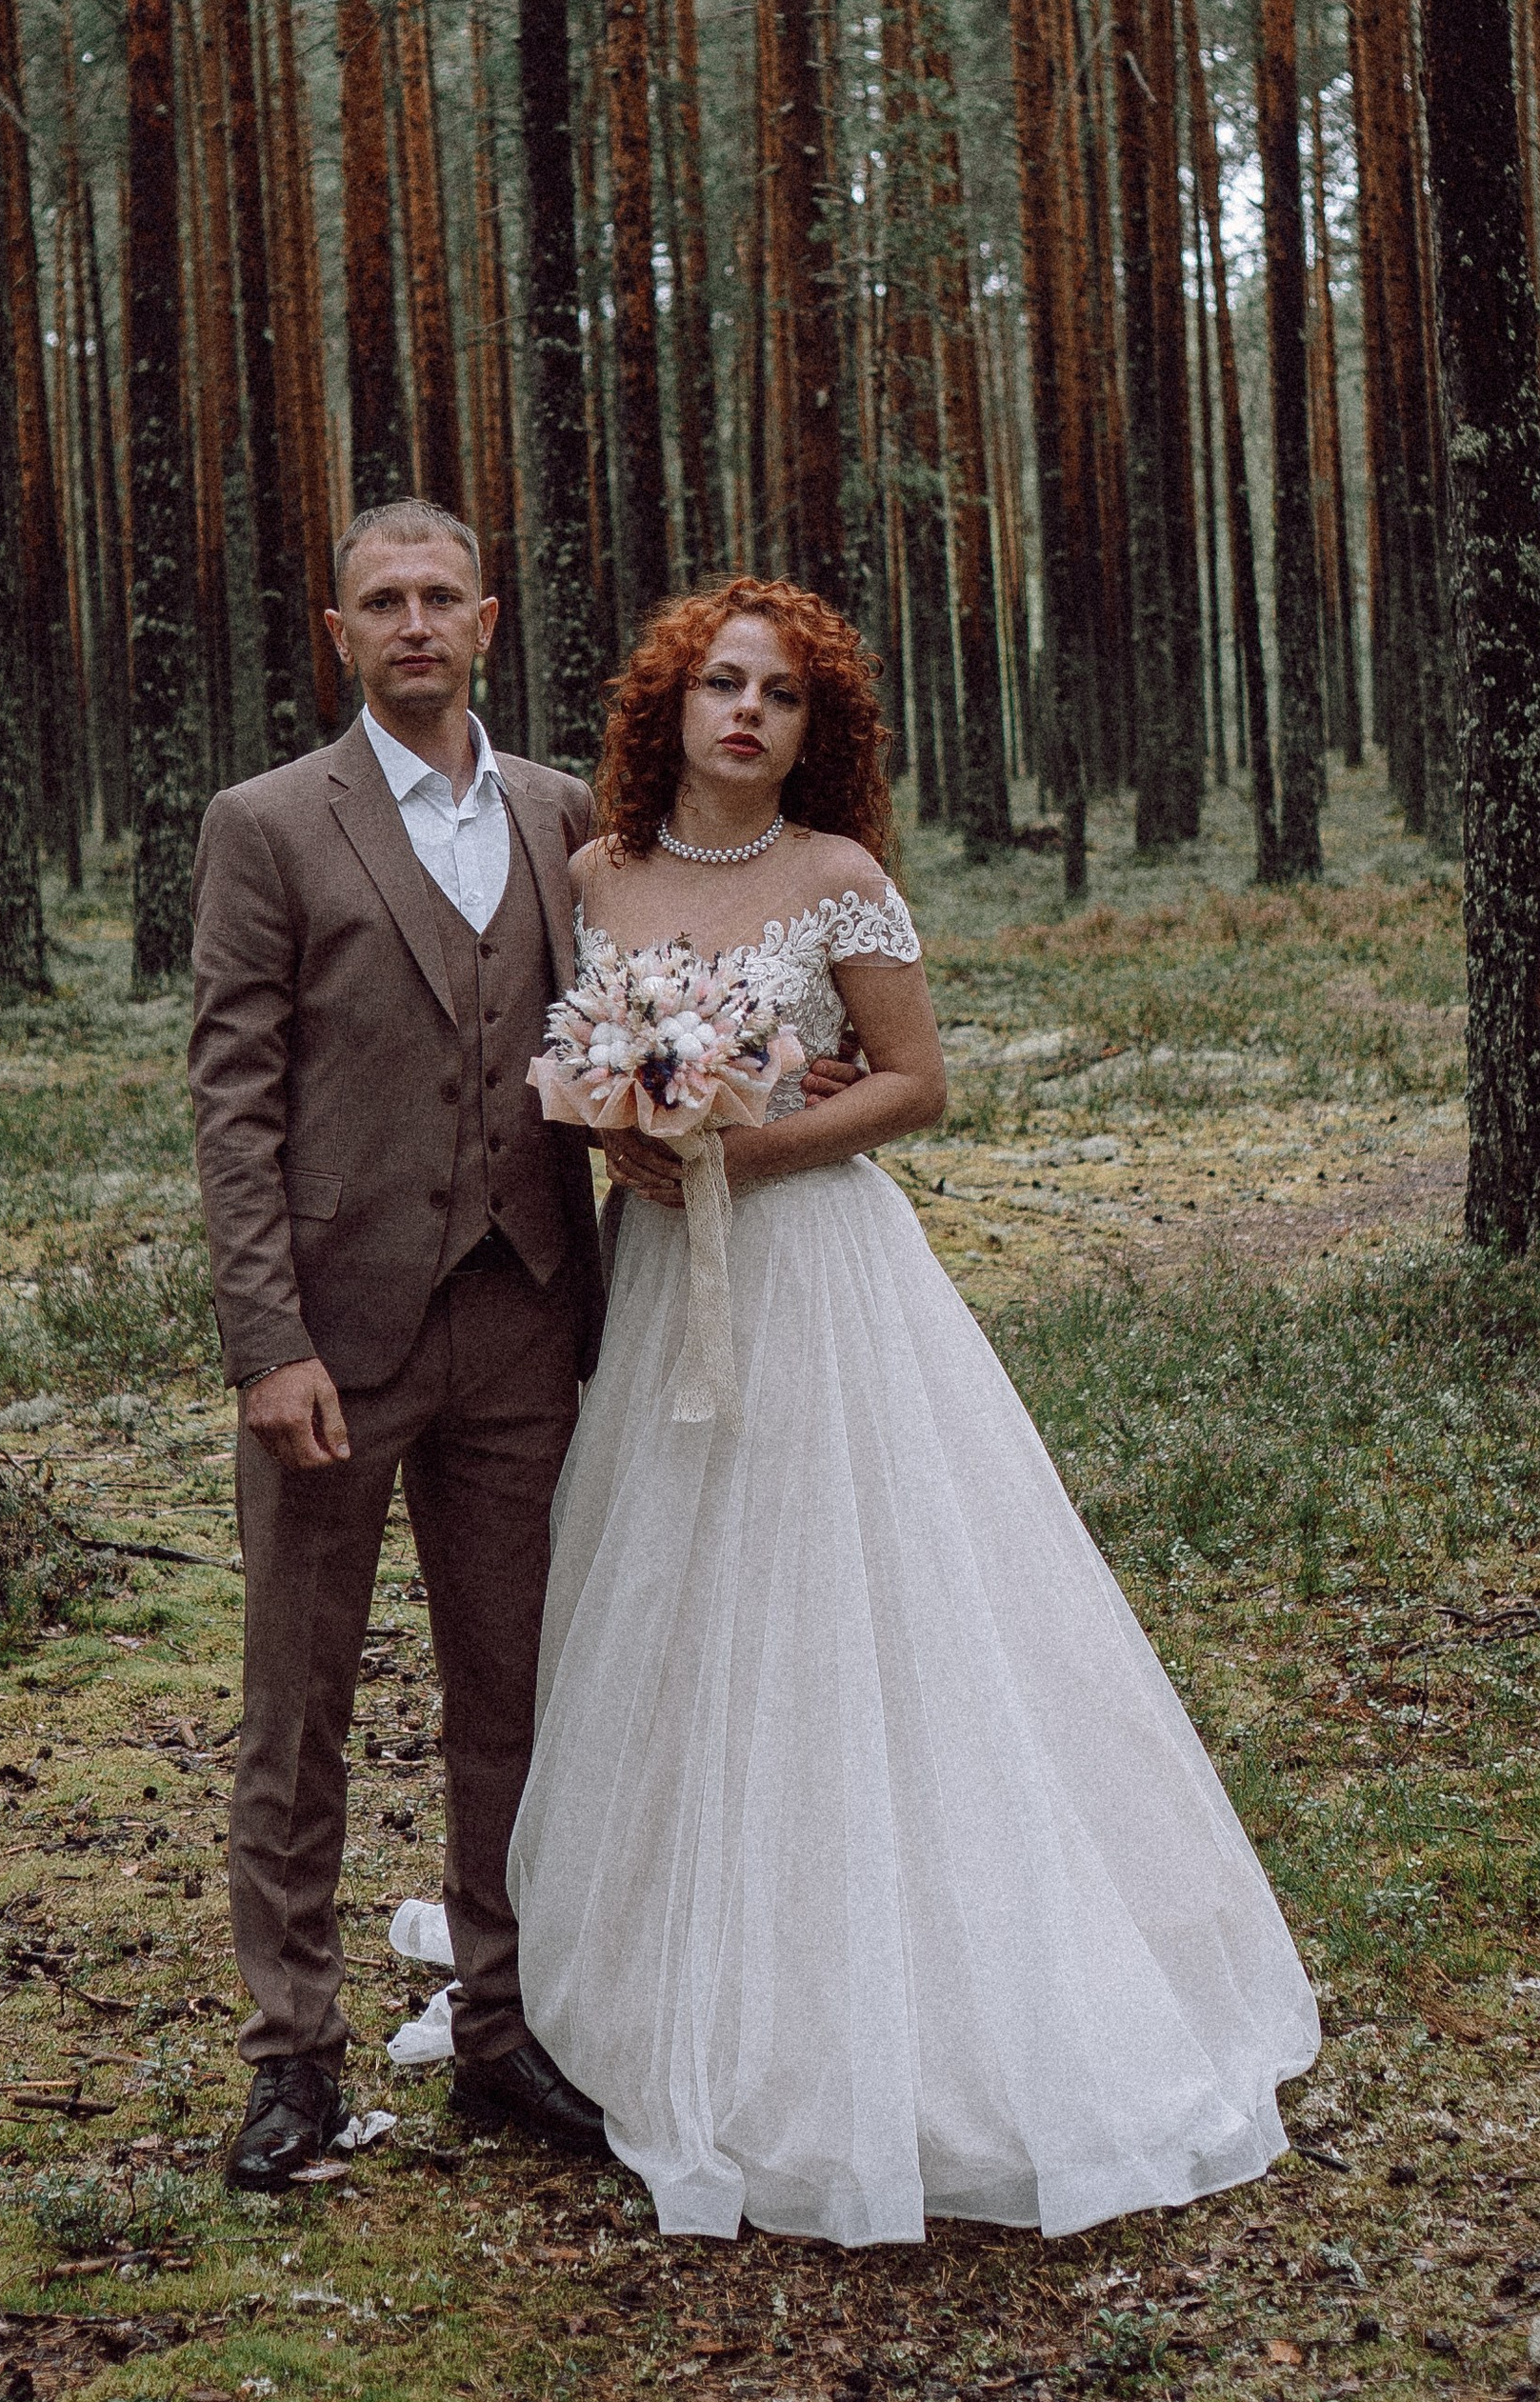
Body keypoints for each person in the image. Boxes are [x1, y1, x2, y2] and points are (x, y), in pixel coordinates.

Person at [508, 575, 1321, 2245]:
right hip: (662, 1283)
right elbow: (579, 1067)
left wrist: (740, 1144)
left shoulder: (841, 883)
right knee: (671, 1605)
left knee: (850, 1598)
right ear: (668, 705)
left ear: (821, 729)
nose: (746, 714)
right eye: (720, 684)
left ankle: (901, 1987)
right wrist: (626, 1135)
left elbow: (915, 1085)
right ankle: (675, 1965)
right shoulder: (597, 873)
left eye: (782, 695)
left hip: (818, 1280)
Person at [187, 497, 616, 2190]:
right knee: (294, 1714)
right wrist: (262, 1339)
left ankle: (506, 2036)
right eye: (385, 599)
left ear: (489, 622)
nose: (417, 622)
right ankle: (290, 2060)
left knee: (512, 1694)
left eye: (443, 595)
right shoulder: (270, 824)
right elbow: (233, 1099)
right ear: (342, 634)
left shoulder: (560, 808)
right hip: (336, 1344)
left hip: (524, 1320)